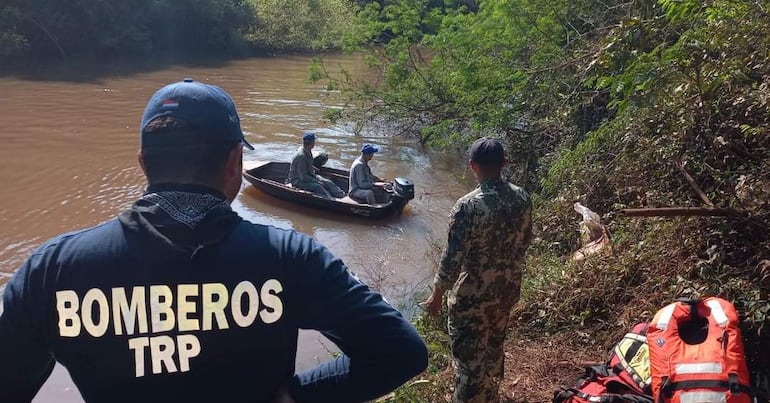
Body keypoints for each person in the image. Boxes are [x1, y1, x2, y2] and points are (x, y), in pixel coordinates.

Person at [0, 78, 428, 403]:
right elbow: (401, 352)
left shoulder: (51, 270)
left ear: (144, 163)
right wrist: (296, 395)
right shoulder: (293, 258)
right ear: (234, 163)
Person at [423, 137, 533, 403]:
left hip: (473, 297)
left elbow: (452, 258)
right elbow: (526, 240)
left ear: (472, 165)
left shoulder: (468, 206)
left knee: (468, 360)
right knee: (494, 346)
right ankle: (490, 395)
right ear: (504, 163)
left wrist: (436, 296)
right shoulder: (522, 197)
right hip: (507, 289)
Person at [288, 132, 344, 198]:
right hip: (298, 181)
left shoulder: (308, 151)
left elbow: (306, 165)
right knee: (318, 186)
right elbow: (303, 176)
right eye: (314, 141)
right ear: (311, 143)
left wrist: (313, 168)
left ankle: (342, 195)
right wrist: (316, 181)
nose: (315, 142)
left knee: (328, 182)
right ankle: (330, 200)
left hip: (310, 175)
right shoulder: (301, 156)